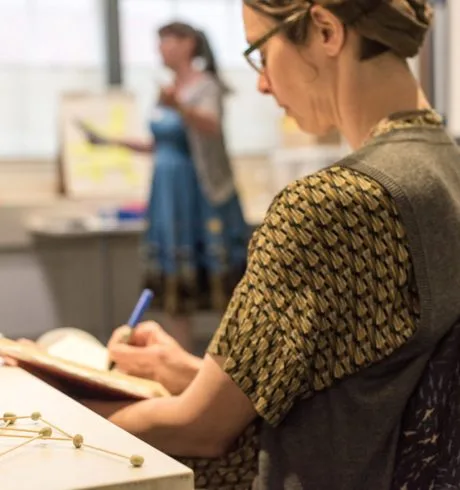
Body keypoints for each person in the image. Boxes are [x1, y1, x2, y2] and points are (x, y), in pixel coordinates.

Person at [60, 1, 460, 489]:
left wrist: (62, 411)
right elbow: (362, 382)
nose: (262, 83)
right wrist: (189, 371)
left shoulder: (330, 204)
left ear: (326, 31)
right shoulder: (444, 168)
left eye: (261, 52)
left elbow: (201, 430)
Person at [85, 22, 249, 351]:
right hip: (167, 196)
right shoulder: (168, 89)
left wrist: (179, 107)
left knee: (220, 280)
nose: (160, 50)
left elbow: (211, 126)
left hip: (199, 194)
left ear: (188, 44)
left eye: (166, 42)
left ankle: (232, 361)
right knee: (175, 277)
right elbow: (160, 142)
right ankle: (179, 357)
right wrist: (111, 142)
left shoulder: (206, 85)